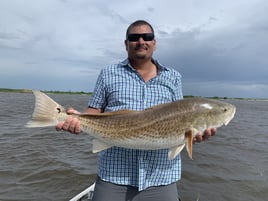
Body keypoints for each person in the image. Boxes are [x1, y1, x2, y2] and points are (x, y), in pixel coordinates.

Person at [56, 20, 216, 201]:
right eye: (134, 38)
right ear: (126, 44)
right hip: (113, 176)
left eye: (147, 37)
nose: (141, 41)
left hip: (162, 177)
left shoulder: (173, 77)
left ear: (154, 43)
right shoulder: (108, 73)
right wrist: (77, 121)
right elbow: (93, 112)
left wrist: (193, 136)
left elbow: (180, 118)